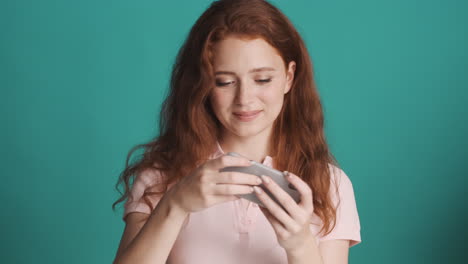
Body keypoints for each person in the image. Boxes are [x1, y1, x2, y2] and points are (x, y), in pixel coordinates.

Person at [112, 0, 361, 263]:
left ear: (289, 77)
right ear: (203, 84)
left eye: (262, 79)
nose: (245, 98)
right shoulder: (160, 176)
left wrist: (300, 245)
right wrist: (174, 206)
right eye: (225, 82)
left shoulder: (330, 184)